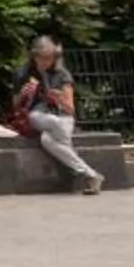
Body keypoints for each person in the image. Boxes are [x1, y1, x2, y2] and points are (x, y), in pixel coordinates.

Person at [8, 35, 103, 194]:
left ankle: (91, 175)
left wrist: (58, 99)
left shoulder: (61, 74)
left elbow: (70, 110)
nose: (46, 62)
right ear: (34, 56)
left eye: (50, 58)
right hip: (39, 117)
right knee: (35, 117)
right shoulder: (23, 73)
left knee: (47, 139)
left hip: (61, 117)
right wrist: (23, 94)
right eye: (42, 58)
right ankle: (84, 166)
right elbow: (15, 105)